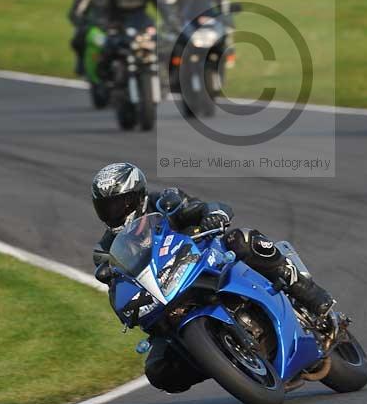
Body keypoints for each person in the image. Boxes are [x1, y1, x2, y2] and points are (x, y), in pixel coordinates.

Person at [91, 163, 334, 391]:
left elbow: (206, 207)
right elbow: (116, 291)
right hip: (166, 296)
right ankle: (221, 361)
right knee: (158, 371)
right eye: (105, 206)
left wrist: (214, 215)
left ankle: (308, 292)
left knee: (243, 239)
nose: (113, 212)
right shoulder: (106, 249)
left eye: (120, 203)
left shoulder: (164, 202)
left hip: (205, 261)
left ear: (137, 196)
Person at [68, 0, 115, 75]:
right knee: (79, 39)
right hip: (91, 24)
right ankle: (81, 63)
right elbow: (75, 11)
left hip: (112, 23)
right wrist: (82, 23)